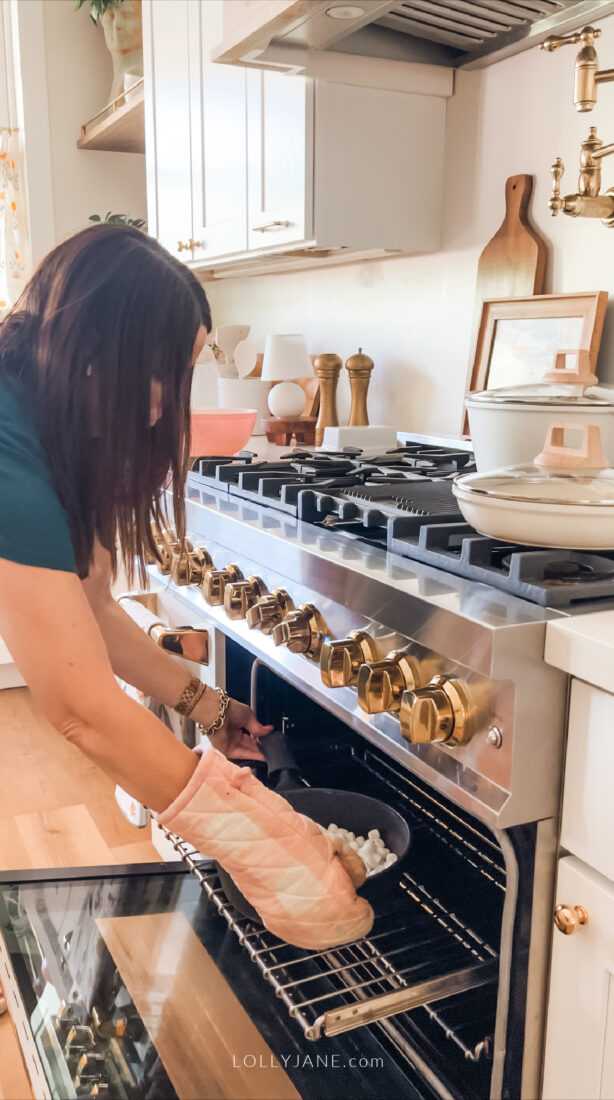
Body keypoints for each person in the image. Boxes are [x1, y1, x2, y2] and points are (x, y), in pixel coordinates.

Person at [0, 225, 372, 949]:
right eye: (169, 367)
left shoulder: (44, 414)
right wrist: (275, 850)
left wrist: (207, 704)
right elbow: (81, 709)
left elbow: (93, 609)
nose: (175, 399)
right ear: (95, 356)